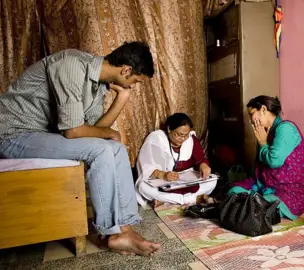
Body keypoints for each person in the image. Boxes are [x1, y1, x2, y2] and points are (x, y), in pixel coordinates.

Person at [0, 42, 161, 256]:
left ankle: (125, 229)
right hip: (12, 134)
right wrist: (107, 134)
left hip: (40, 134)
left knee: (115, 148)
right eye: (135, 81)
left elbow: (96, 130)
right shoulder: (71, 64)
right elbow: (73, 131)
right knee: (101, 150)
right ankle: (111, 233)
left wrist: (122, 98)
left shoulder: (97, 86)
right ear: (126, 70)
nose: (133, 86)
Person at [228, 95, 304, 219]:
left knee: (255, 206)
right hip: (265, 186)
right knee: (234, 190)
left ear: (263, 110)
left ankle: (252, 204)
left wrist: (263, 143)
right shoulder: (264, 132)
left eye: (252, 114)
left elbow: (274, 161)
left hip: (289, 190)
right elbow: (258, 166)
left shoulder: (286, 128)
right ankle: (250, 202)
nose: (251, 120)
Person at [135, 113, 216, 206]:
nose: (182, 139)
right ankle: (193, 199)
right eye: (179, 134)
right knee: (142, 187)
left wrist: (203, 165)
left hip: (185, 181)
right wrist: (163, 174)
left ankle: (167, 200)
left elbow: (201, 159)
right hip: (163, 181)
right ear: (169, 129)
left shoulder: (191, 139)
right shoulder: (156, 138)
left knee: (212, 180)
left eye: (186, 135)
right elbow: (147, 166)